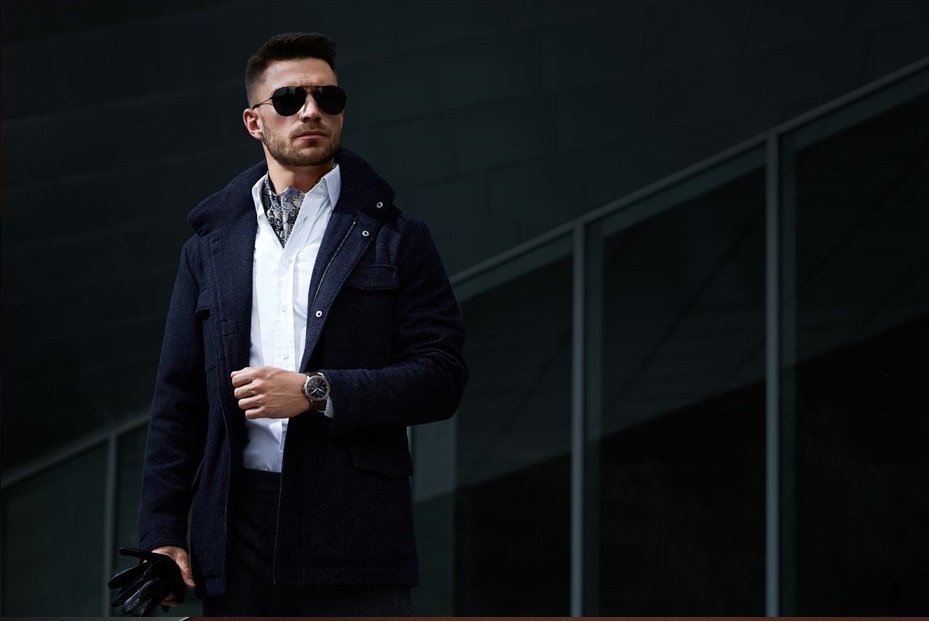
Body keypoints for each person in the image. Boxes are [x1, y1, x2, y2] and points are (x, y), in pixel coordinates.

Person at [137, 31, 467, 617]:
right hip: (235, 528)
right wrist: (163, 532)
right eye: (289, 99)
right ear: (254, 121)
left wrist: (317, 391)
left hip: (357, 530)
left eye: (327, 98)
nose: (311, 111)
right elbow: (178, 398)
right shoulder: (209, 248)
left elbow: (441, 377)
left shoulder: (397, 237)